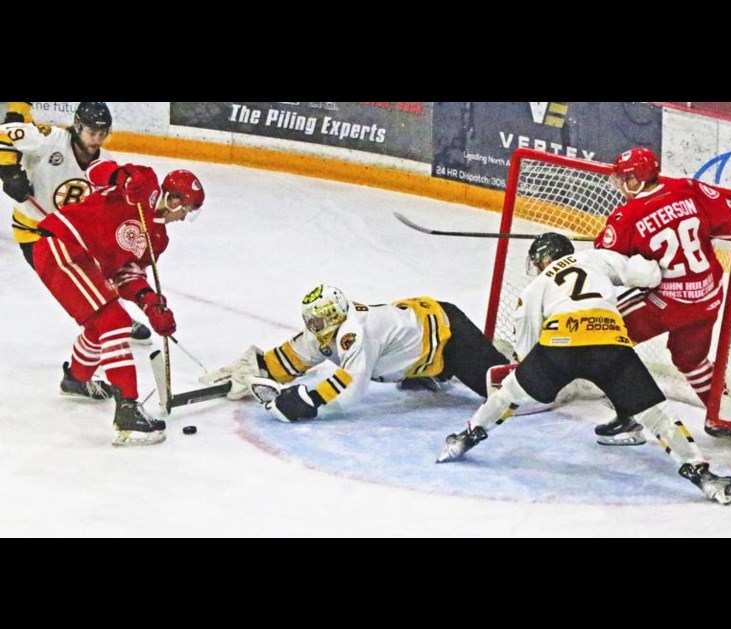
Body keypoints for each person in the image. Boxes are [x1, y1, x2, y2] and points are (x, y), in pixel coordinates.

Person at [437, 232, 731, 505]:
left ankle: (466, 437)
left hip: (559, 345)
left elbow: (526, 351)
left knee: (508, 395)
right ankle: (702, 475)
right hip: (608, 340)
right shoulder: (594, 257)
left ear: (542, 259)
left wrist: (541, 373)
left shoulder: (535, 287)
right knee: (657, 414)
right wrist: (637, 248)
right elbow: (649, 274)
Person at [33, 157, 206, 446]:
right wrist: (122, 178)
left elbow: (127, 274)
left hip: (86, 261)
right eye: (187, 209)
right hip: (64, 244)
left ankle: (77, 378)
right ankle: (127, 409)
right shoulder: (145, 181)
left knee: (100, 325)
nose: (185, 217)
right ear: (175, 200)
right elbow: (95, 171)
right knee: (115, 321)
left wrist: (150, 302)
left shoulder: (158, 238)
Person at [594, 147, 731, 439]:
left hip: (665, 302)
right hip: (706, 298)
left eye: (625, 179)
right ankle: (723, 413)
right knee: (689, 360)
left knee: (605, 333)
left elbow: (606, 263)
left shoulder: (627, 215)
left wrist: (638, 266)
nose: (620, 185)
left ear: (638, 180)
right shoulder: (689, 188)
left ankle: (628, 410)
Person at [204, 286, 511, 422]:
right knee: (412, 374)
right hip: (417, 339)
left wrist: (308, 401)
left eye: (319, 322)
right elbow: (291, 358)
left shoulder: (354, 332)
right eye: (310, 321)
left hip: (449, 337)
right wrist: (256, 369)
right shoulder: (325, 329)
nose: (314, 328)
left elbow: (351, 386)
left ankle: (533, 367)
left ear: (336, 317)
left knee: (507, 393)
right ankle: (440, 370)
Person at [0, 101, 153, 343]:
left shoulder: (105, 162)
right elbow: (6, 132)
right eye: (92, 132)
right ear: (78, 127)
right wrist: (9, 172)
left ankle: (118, 317)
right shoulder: (51, 140)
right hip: (35, 233)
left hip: (70, 234)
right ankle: (103, 325)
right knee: (72, 288)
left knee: (100, 273)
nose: (96, 140)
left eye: (102, 134)